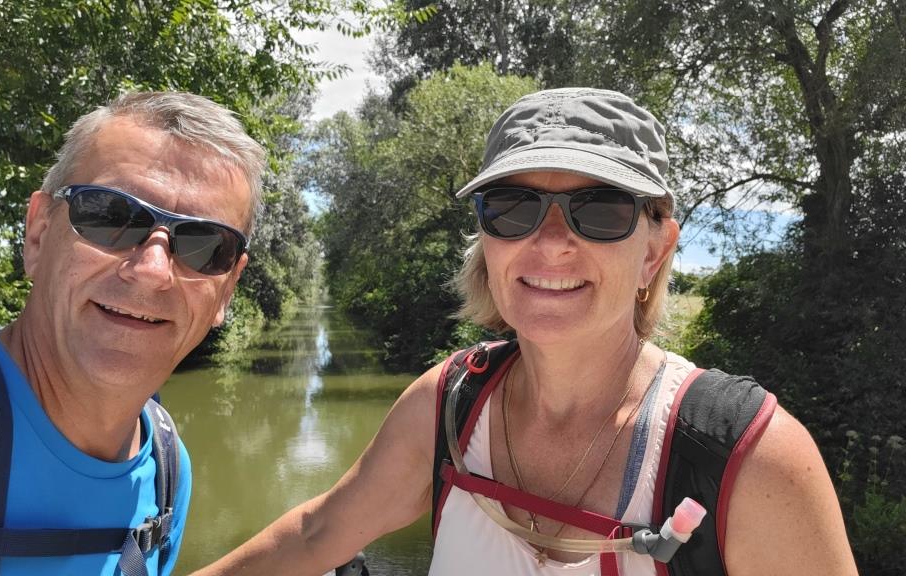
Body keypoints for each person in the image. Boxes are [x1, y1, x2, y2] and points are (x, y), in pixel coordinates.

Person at [195, 88, 857, 576]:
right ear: (487, 240)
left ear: (655, 251)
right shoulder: (449, 405)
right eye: (514, 208)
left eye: (600, 210)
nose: (550, 243)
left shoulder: (749, 458)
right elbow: (317, 536)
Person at [0, 91, 265, 575]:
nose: (152, 270)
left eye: (204, 246)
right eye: (110, 216)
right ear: (38, 234)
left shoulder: (167, 467)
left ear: (227, 289)